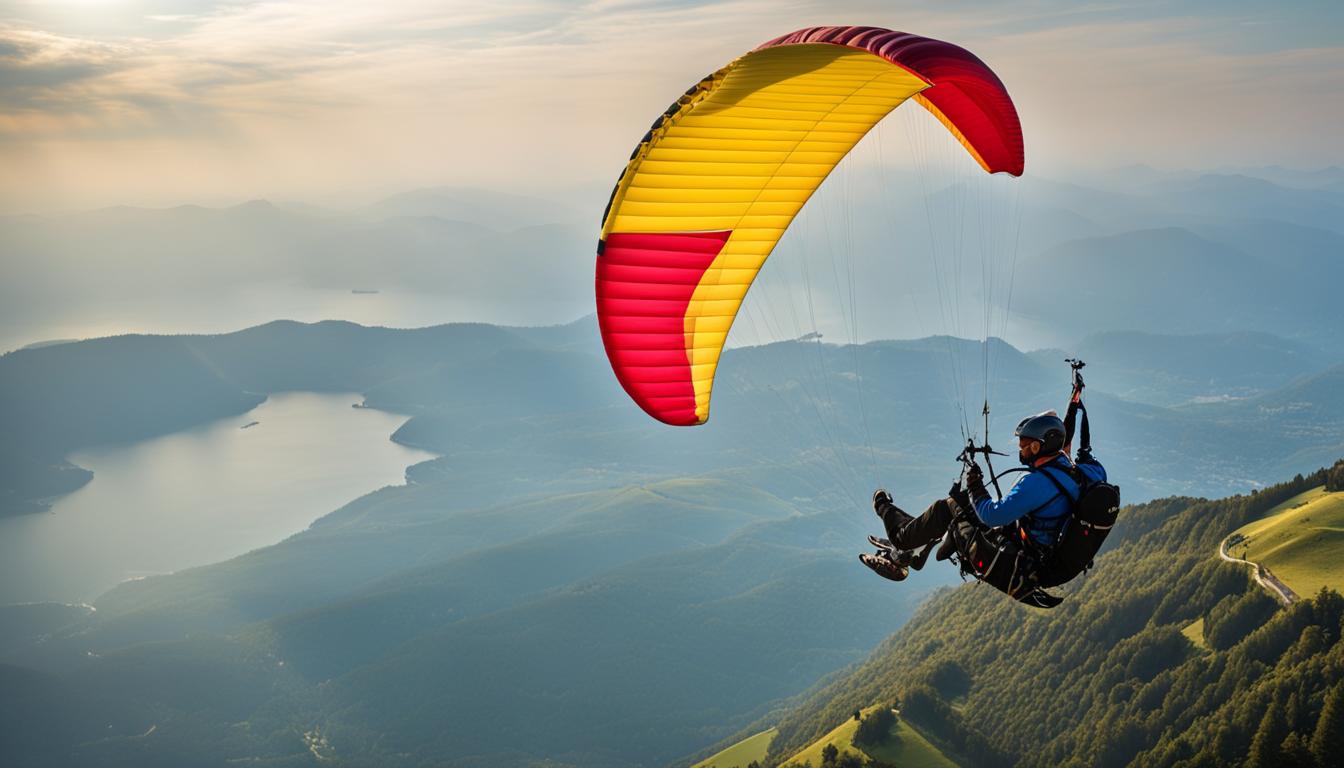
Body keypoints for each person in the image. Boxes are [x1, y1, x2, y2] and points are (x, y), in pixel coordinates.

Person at [859, 410, 1107, 583]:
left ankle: (900, 540)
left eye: (1024, 443)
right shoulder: (1086, 472)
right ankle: (915, 551)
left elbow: (991, 515)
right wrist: (1069, 412)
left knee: (948, 507)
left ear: (1038, 446)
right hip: (1050, 551)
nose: (1020, 448)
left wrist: (976, 485)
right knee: (963, 506)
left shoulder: (1036, 483)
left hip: (1025, 556)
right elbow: (1080, 454)